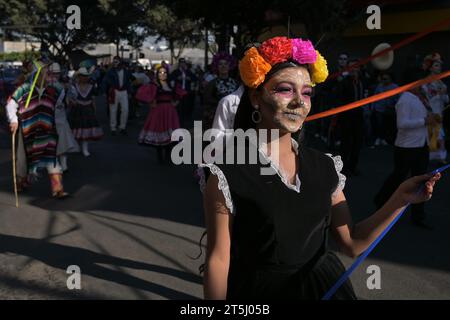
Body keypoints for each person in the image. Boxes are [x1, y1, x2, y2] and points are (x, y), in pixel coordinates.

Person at [198, 37, 441, 300]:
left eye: (306, 92)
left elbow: (351, 243)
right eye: (285, 90)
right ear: (256, 97)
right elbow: (218, 260)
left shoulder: (325, 166)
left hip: (323, 288)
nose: (299, 102)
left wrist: (400, 199)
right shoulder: (228, 174)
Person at [374, 79, 437, 230]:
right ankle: (381, 200)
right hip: (406, 146)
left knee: (422, 180)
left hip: (422, 145)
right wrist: (424, 121)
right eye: (421, 82)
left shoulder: (421, 97)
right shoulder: (405, 99)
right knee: (398, 177)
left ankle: (418, 216)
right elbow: (402, 124)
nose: (423, 85)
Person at [5, 59, 70, 198]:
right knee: (23, 160)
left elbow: (60, 98)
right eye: (45, 73)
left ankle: (57, 189)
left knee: (52, 158)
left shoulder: (53, 89)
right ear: (37, 74)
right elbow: (11, 104)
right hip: (27, 131)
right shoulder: (24, 89)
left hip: (47, 129)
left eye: (48, 73)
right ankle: (21, 183)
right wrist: (14, 120)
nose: (48, 75)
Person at [138, 65, 180, 164]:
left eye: (164, 72)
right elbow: (143, 93)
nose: (162, 74)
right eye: (160, 72)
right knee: (159, 132)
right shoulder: (154, 84)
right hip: (158, 110)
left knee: (171, 136)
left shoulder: (171, 84)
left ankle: (168, 157)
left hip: (170, 111)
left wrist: (175, 103)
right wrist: (150, 103)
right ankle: (160, 157)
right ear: (157, 74)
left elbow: (179, 94)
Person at [47, 62, 79, 171]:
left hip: (60, 115)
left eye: (57, 73)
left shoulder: (64, 84)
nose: (55, 75)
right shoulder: (45, 84)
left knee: (63, 140)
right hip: (49, 115)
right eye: (53, 73)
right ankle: (54, 165)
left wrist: (69, 95)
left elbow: (73, 96)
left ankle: (64, 165)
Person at [337, 58, 365, 176]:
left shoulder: (362, 81)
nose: (354, 69)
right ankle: (344, 168)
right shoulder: (344, 82)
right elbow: (339, 97)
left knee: (357, 142)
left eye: (356, 66)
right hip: (347, 116)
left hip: (359, 115)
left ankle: (353, 166)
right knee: (346, 143)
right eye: (351, 67)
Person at [67, 67, 103, 157]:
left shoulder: (91, 87)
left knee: (86, 129)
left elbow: (93, 98)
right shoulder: (74, 86)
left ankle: (85, 148)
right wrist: (72, 102)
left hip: (87, 109)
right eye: (82, 76)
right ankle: (77, 146)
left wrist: (94, 109)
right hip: (77, 109)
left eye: (86, 76)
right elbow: (70, 97)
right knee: (77, 128)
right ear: (78, 77)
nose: (84, 78)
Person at [421, 53, 449, 164]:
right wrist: (437, 94)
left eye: (439, 65)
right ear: (430, 67)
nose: (439, 67)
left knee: (438, 135)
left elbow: (446, 100)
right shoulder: (425, 83)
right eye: (436, 65)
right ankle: (437, 157)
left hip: (439, 111)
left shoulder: (442, 83)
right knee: (433, 135)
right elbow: (425, 98)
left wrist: (443, 94)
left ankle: (439, 156)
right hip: (430, 111)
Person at [203, 52, 240, 131]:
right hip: (218, 118)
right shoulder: (212, 84)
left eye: (226, 64)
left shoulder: (236, 83)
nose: (223, 66)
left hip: (235, 117)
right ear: (216, 66)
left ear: (230, 66)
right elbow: (207, 100)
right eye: (220, 64)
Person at [102, 56, 132, 135]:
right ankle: (113, 128)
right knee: (113, 110)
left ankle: (122, 127)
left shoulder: (126, 71)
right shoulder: (110, 71)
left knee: (125, 109)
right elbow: (105, 81)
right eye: (114, 62)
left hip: (124, 91)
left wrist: (129, 92)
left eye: (117, 62)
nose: (116, 64)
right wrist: (105, 92)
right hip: (114, 91)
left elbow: (128, 82)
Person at [371, 72, 399, 146]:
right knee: (379, 124)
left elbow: (398, 98)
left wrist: (394, 105)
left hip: (390, 109)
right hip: (379, 108)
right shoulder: (379, 86)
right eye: (383, 79)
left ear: (390, 79)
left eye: (386, 79)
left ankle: (387, 139)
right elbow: (375, 96)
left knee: (390, 125)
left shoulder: (395, 87)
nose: (384, 81)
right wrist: (372, 107)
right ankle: (379, 138)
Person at [169, 58, 198, 128]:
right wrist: (177, 79)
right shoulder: (176, 72)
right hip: (178, 93)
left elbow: (195, 79)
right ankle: (178, 121)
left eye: (183, 63)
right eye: (181, 63)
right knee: (179, 108)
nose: (182, 64)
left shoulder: (188, 71)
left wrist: (189, 79)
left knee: (187, 106)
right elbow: (170, 79)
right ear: (179, 64)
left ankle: (185, 120)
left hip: (187, 92)